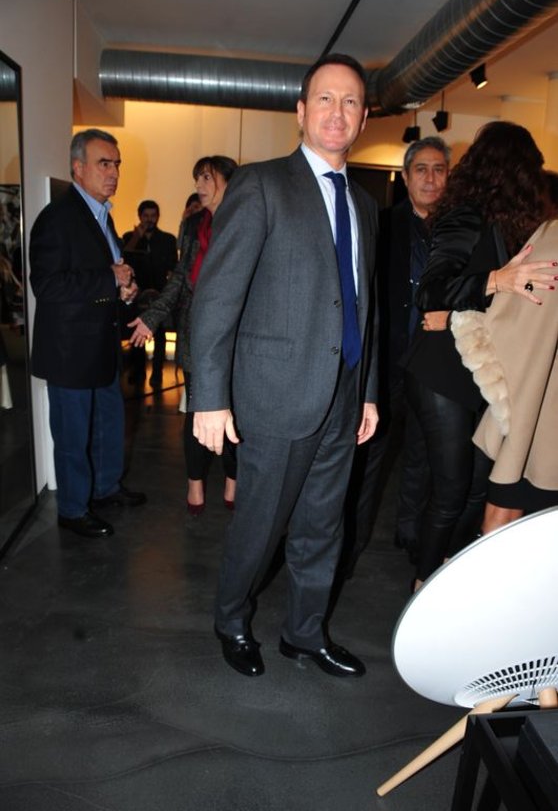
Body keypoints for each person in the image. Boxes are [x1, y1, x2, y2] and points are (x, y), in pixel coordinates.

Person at [190, 53, 379, 678]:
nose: (337, 112)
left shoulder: (365, 204)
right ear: (300, 111)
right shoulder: (262, 184)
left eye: (350, 101)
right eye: (325, 98)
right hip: (274, 394)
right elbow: (217, 296)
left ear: (364, 117)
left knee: (323, 526)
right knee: (261, 525)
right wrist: (209, 397)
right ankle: (231, 619)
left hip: (343, 395)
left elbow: (365, 305)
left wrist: (368, 390)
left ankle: (304, 633)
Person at [405, 121, 556, 590]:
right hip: (440, 369)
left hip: (476, 369)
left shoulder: (515, 225)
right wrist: (497, 280)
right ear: (513, 169)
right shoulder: (465, 214)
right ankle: (422, 587)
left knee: (475, 489)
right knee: (452, 489)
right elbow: (431, 290)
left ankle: (446, 571)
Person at [29, 128, 146, 539]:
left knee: (108, 425)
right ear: (78, 168)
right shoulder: (57, 218)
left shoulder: (102, 215)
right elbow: (46, 285)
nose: (113, 172)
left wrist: (124, 290)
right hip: (69, 351)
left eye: (116, 164)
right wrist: (108, 278)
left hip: (100, 345)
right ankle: (73, 509)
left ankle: (106, 488)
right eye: (103, 163)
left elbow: (106, 276)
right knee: (73, 434)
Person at [342, 137, 449, 576]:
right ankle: (348, 547)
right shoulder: (381, 224)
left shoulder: (461, 230)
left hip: (437, 367)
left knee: (424, 458)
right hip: (385, 365)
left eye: (439, 169)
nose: (430, 178)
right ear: (405, 177)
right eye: (421, 169)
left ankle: (411, 535)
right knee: (367, 459)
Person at [128, 156, 238, 513]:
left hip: (236, 334)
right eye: (197, 178)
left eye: (206, 178)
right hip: (196, 330)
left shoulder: (247, 219)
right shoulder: (193, 226)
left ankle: (233, 478)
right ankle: (195, 483)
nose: (199, 186)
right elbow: (179, 278)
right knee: (196, 409)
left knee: (235, 411)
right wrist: (152, 316)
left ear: (228, 182)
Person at [452, 220, 558, 533]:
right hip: (542, 400)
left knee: (506, 512)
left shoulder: (552, 234)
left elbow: (521, 307)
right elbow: (532, 293)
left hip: (538, 402)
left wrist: (465, 321)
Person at [122, 200, 178, 387]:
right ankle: (138, 371)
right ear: (139, 216)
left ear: (158, 217)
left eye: (153, 216)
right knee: (136, 332)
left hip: (160, 293)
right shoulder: (129, 237)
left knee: (159, 333)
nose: (149, 220)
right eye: (145, 216)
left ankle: (157, 372)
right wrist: (136, 237)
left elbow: (173, 268)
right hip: (136, 294)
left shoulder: (168, 240)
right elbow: (124, 259)